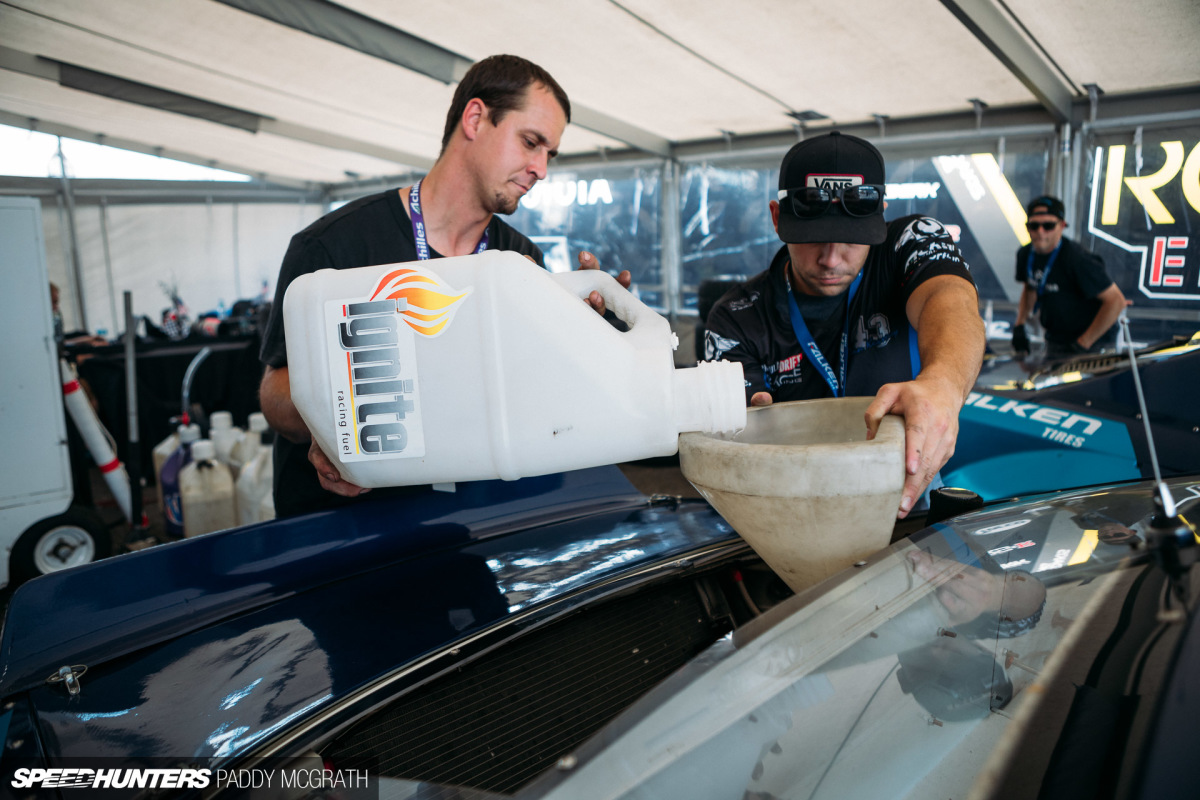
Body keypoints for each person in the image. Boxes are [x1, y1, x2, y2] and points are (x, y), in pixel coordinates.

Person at [259, 54, 627, 517]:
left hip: (469, 526)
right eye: (531, 142)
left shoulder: (522, 262)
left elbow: (529, 398)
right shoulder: (335, 246)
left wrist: (580, 342)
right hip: (342, 534)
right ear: (475, 119)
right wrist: (333, 421)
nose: (541, 169)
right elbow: (275, 394)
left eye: (549, 154)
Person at [702, 132, 985, 518]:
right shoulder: (735, 316)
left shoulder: (910, 241)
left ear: (880, 214)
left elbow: (950, 300)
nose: (832, 260)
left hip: (904, 490)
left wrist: (944, 384)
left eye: (852, 239)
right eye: (813, 238)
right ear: (776, 217)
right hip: (790, 499)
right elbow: (736, 449)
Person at [1010, 195, 1126, 359]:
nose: (1040, 232)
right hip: (1056, 339)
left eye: (1048, 225)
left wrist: (1082, 344)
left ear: (1062, 226)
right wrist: (1019, 325)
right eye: (1034, 226)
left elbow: (1116, 301)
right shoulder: (1025, 254)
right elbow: (1030, 288)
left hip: (1094, 343)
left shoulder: (1077, 258)